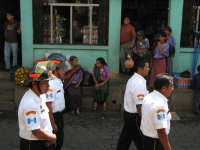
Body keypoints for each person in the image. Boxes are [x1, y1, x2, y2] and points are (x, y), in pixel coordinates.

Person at [18, 63, 56, 150]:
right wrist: (52, 138)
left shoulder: (40, 95)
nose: (49, 86)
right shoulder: (30, 103)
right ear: (35, 83)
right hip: (33, 145)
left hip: (43, 140)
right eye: (45, 82)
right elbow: (36, 131)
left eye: (48, 82)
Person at [116, 59, 150, 150]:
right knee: (142, 141)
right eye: (147, 67)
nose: (148, 69)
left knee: (125, 139)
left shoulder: (135, 79)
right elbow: (139, 105)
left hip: (129, 115)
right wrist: (144, 119)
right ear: (140, 68)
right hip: (135, 117)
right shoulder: (138, 83)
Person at [44, 53, 71, 150]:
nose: (65, 70)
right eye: (62, 69)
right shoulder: (50, 83)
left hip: (59, 116)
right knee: (53, 144)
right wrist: (52, 123)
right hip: (53, 117)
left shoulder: (59, 80)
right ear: (55, 69)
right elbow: (47, 105)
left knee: (59, 141)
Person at [141, 74, 174, 150]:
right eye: (171, 86)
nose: (172, 89)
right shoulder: (159, 105)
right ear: (163, 89)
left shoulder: (149, 96)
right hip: (155, 143)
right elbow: (161, 132)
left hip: (146, 139)